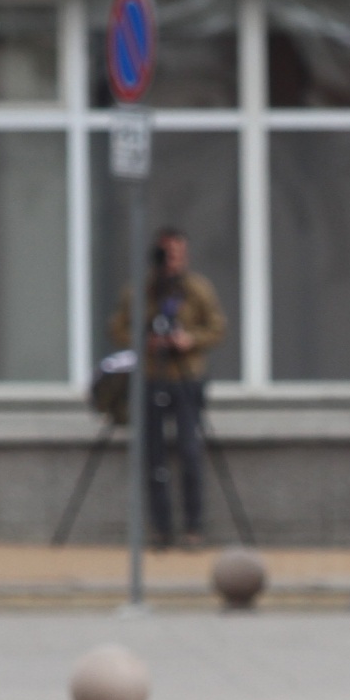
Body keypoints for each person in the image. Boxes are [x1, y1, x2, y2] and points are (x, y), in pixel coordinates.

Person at [109, 228, 228, 548]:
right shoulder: (141, 291)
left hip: (186, 377)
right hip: (151, 376)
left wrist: (189, 340)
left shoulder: (197, 289)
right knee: (154, 456)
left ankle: (194, 527)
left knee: (190, 452)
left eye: (179, 254)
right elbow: (118, 327)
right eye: (168, 254)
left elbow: (217, 327)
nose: (174, 261)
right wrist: (145, 341)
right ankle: (160, 528)